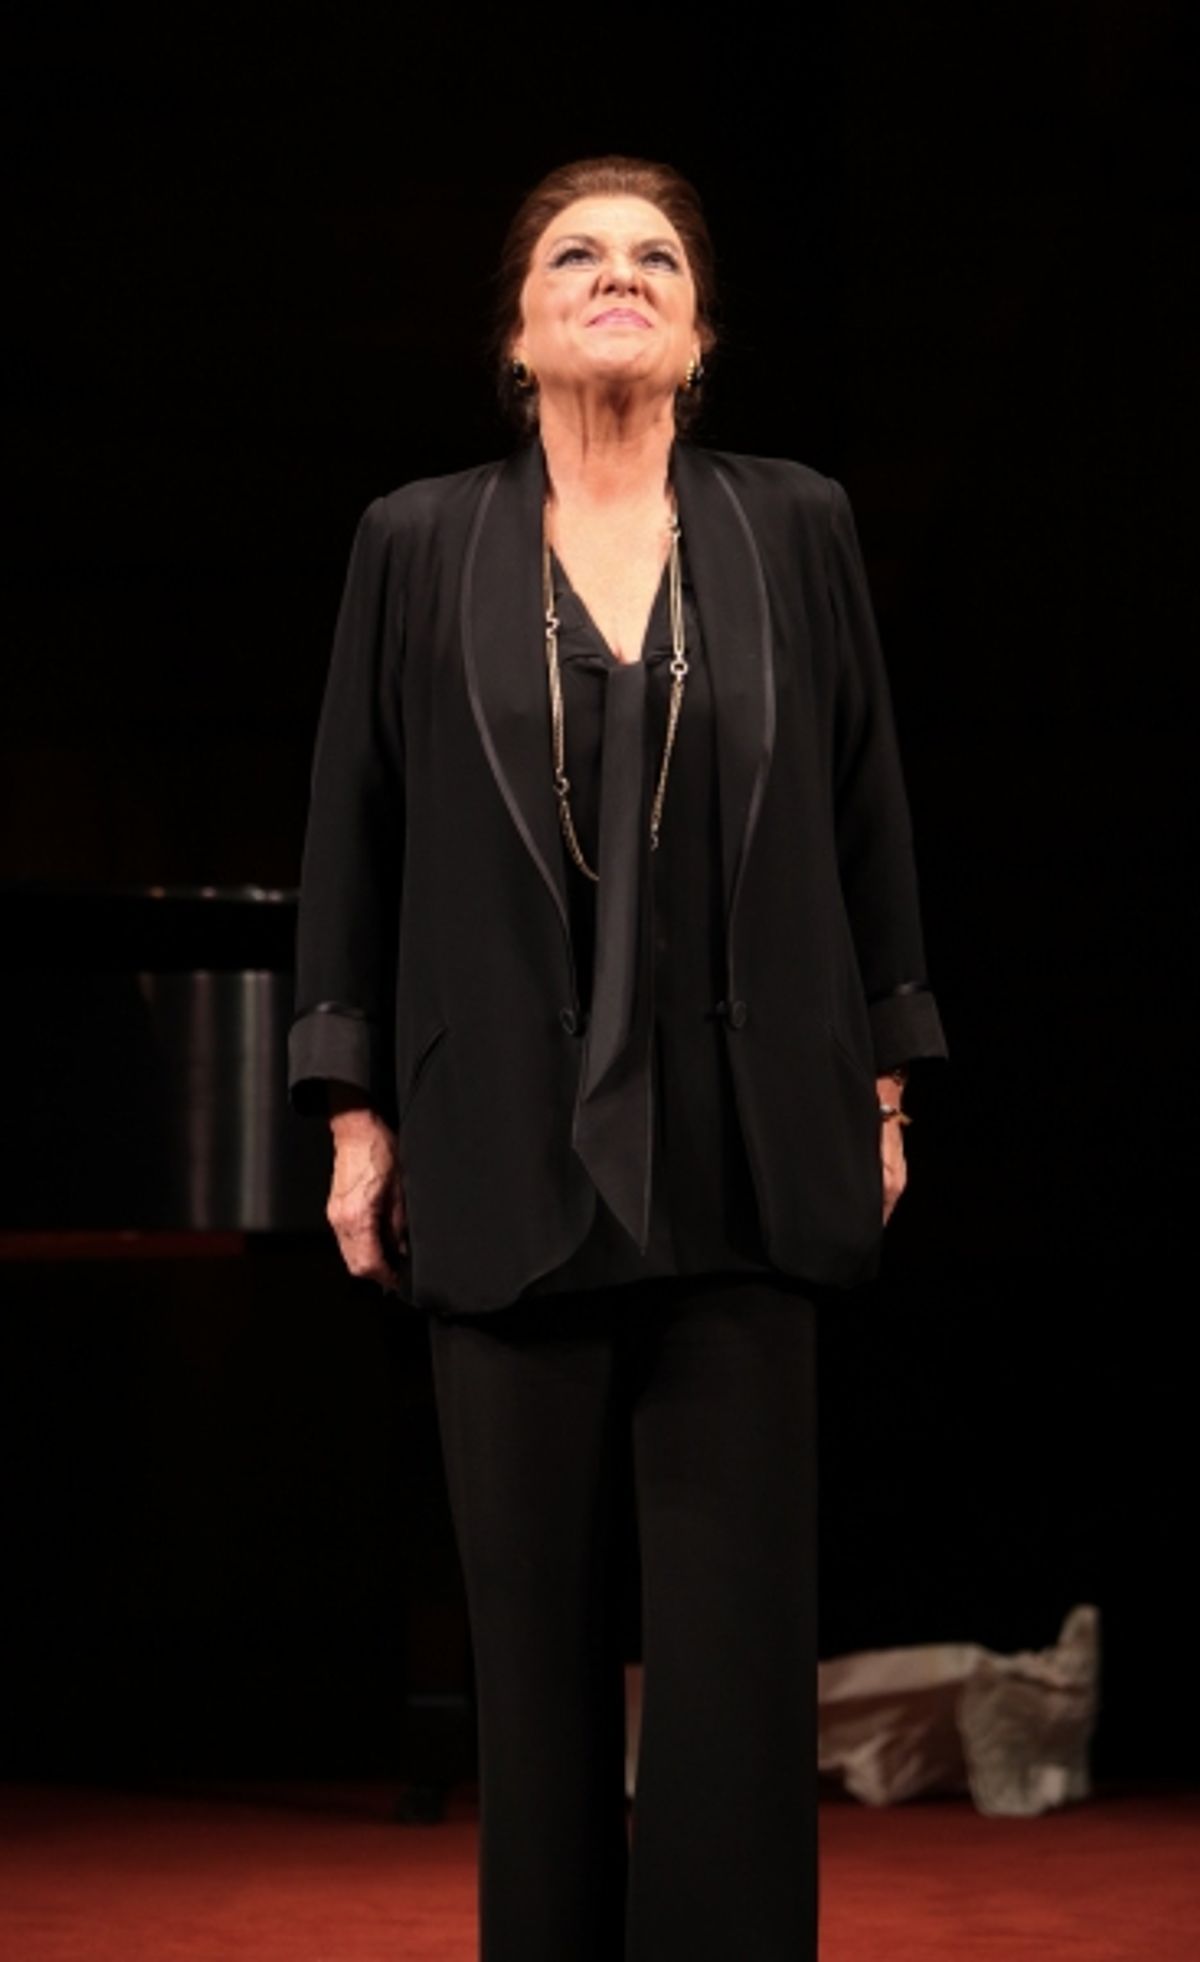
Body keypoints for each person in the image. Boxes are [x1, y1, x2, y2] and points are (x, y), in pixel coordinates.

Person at [288, 154, 947, 1962]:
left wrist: (886, 1076)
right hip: (503, 1141)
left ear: (702, 326)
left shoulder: (790, 521)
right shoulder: (416, 539)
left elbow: (869, 809)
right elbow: (352, 833)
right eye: (575, 253)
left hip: (747, 1142)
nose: (618, 275)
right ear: (517, 328)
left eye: (656, 255)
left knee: (735, 1666)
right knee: (540, 1671)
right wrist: (353, 1112)